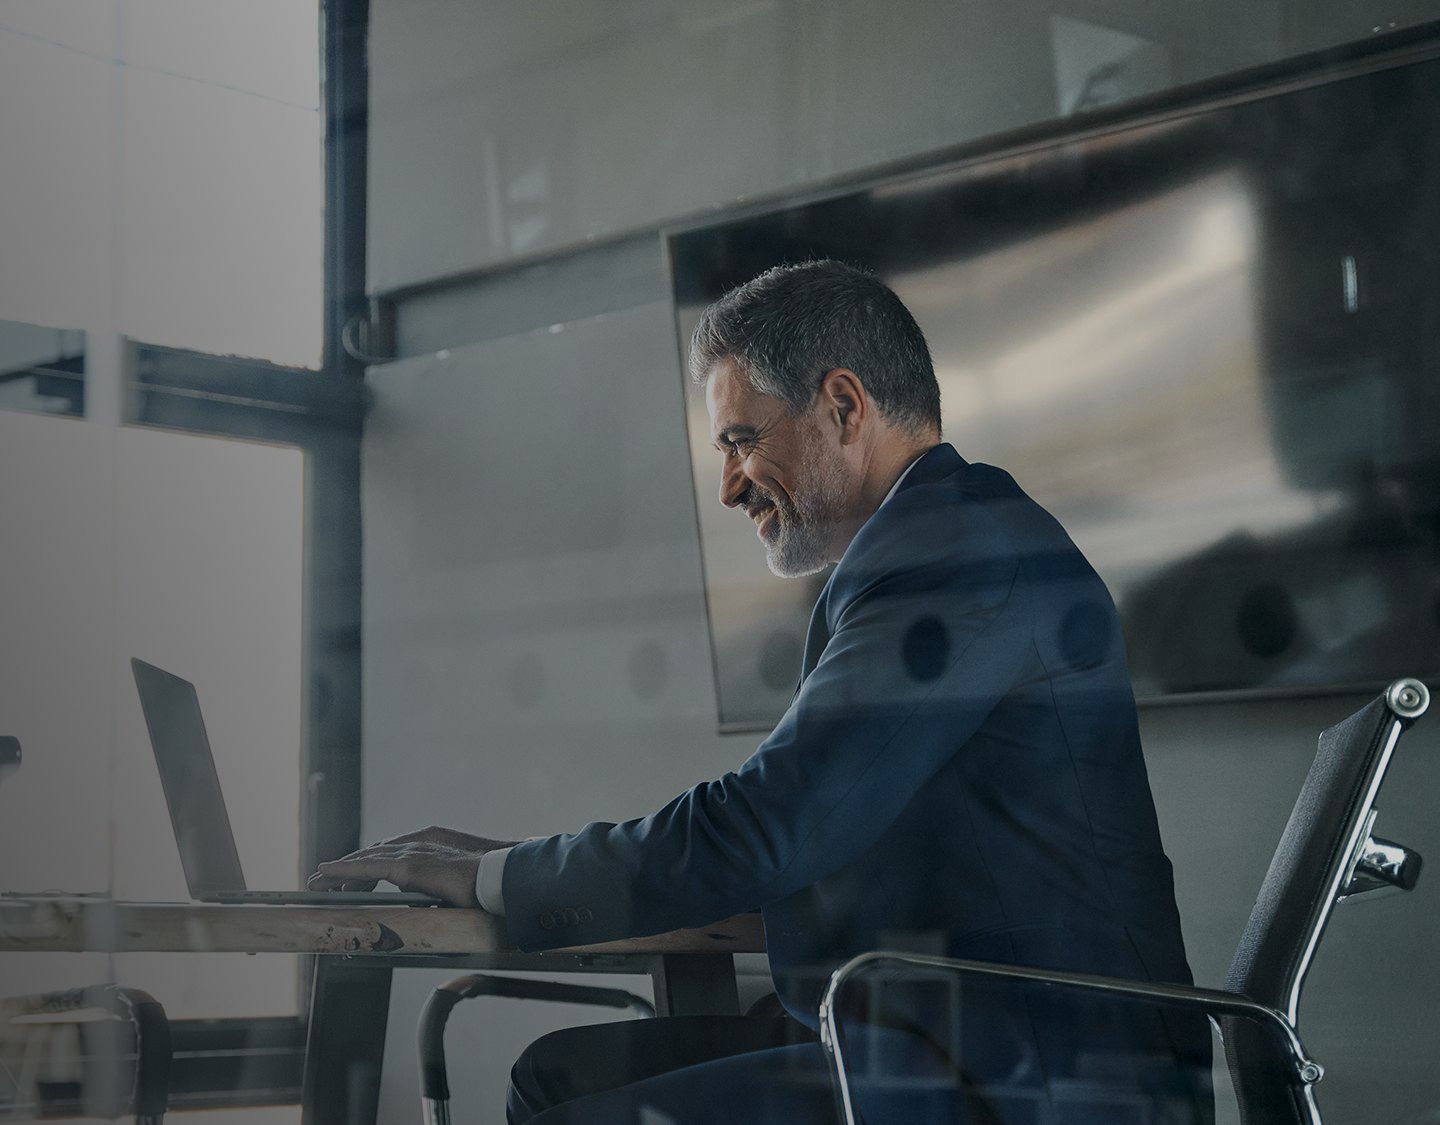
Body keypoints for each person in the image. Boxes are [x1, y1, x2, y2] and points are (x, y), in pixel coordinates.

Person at [310, 261, 1210, 1123]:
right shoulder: (932, 547)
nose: (731, 484)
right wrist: (517, 867)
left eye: (743, 439)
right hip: (950, 1040)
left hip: (1039, 1077)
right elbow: (808, 834)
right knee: (557, 1075)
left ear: (844, 405)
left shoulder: (957, 559)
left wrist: (501, 877)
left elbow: (769, 825)